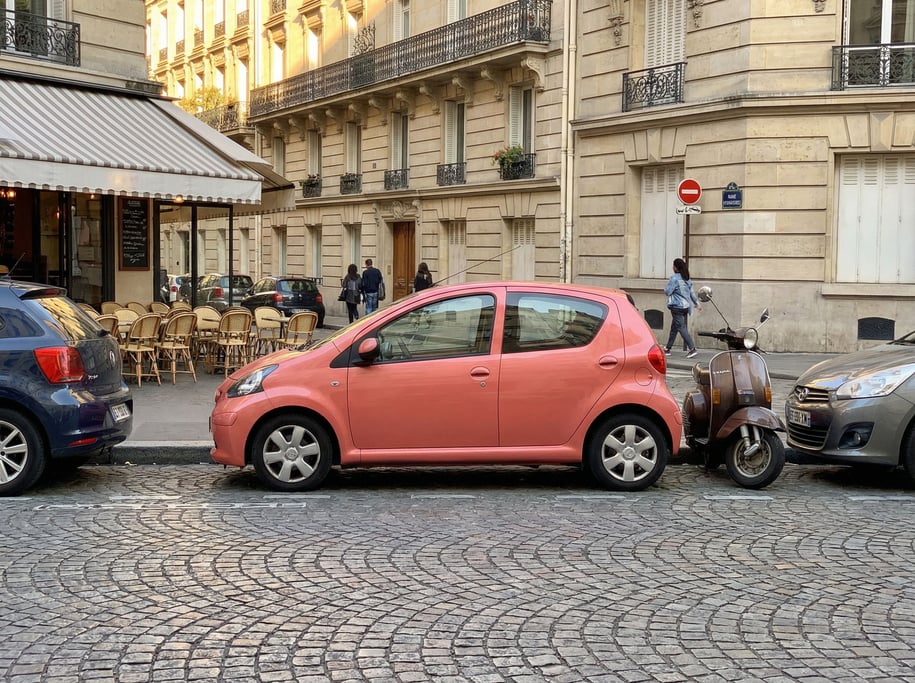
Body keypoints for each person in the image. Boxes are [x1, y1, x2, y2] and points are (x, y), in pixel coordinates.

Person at [664, 257, 701, 358]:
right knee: (674, 328)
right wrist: (697, 304)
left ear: (676, 268)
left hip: (676, 307)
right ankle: (668, 348)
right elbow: (692, 293)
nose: (672, 267)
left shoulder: (674, 278)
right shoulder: (687, 279)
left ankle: (692, 348)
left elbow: (667, 292)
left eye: (673, 265)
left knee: (681, 327)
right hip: (685, 307)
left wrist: (668, 288)